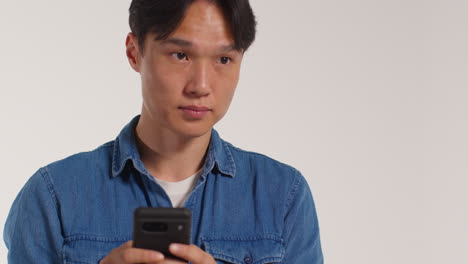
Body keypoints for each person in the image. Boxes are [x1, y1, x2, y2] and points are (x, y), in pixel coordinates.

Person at [4, 0, 324, 263]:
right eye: (180, 55)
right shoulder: (54, 196)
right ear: (134, 52)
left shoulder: (282, 196)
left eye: (224, 59)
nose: (201, 86)